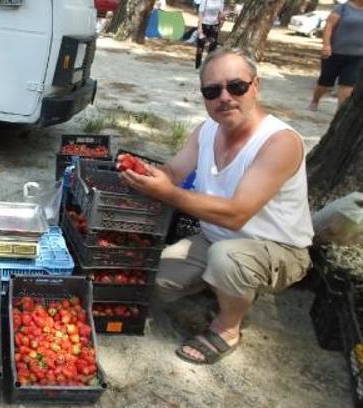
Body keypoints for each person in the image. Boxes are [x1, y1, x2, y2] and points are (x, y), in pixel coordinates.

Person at [119, 48, 314, 365]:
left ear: (256, 86)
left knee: (228, 260)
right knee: (157, 280)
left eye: (236, 86)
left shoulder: (280, 142)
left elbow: (237, 214)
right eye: (212, 91)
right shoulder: (206, 130)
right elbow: (174, 172)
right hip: (214, 238)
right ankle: (227, 288)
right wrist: (145, 174)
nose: (224, 97)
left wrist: (167, 193)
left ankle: (228, 327)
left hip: (276, 247)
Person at [308, 0, 363, 111]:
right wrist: (326, 45)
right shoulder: (342, 8)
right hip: (334, 53)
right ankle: (315, 100)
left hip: (357, 56)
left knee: (348, 86)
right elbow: (329, 26)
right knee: (325, 82)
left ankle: (340, 112)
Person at [195, 0, 225, 69]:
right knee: (200, 45)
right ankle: (198, 64)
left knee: (213, 46)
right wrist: (200, 28)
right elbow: (200, 14)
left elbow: (220, 14)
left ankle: (208, 65)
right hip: (204, 24)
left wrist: (223, 18)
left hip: (215, 25)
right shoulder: (205, 1)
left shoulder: (221, 1)